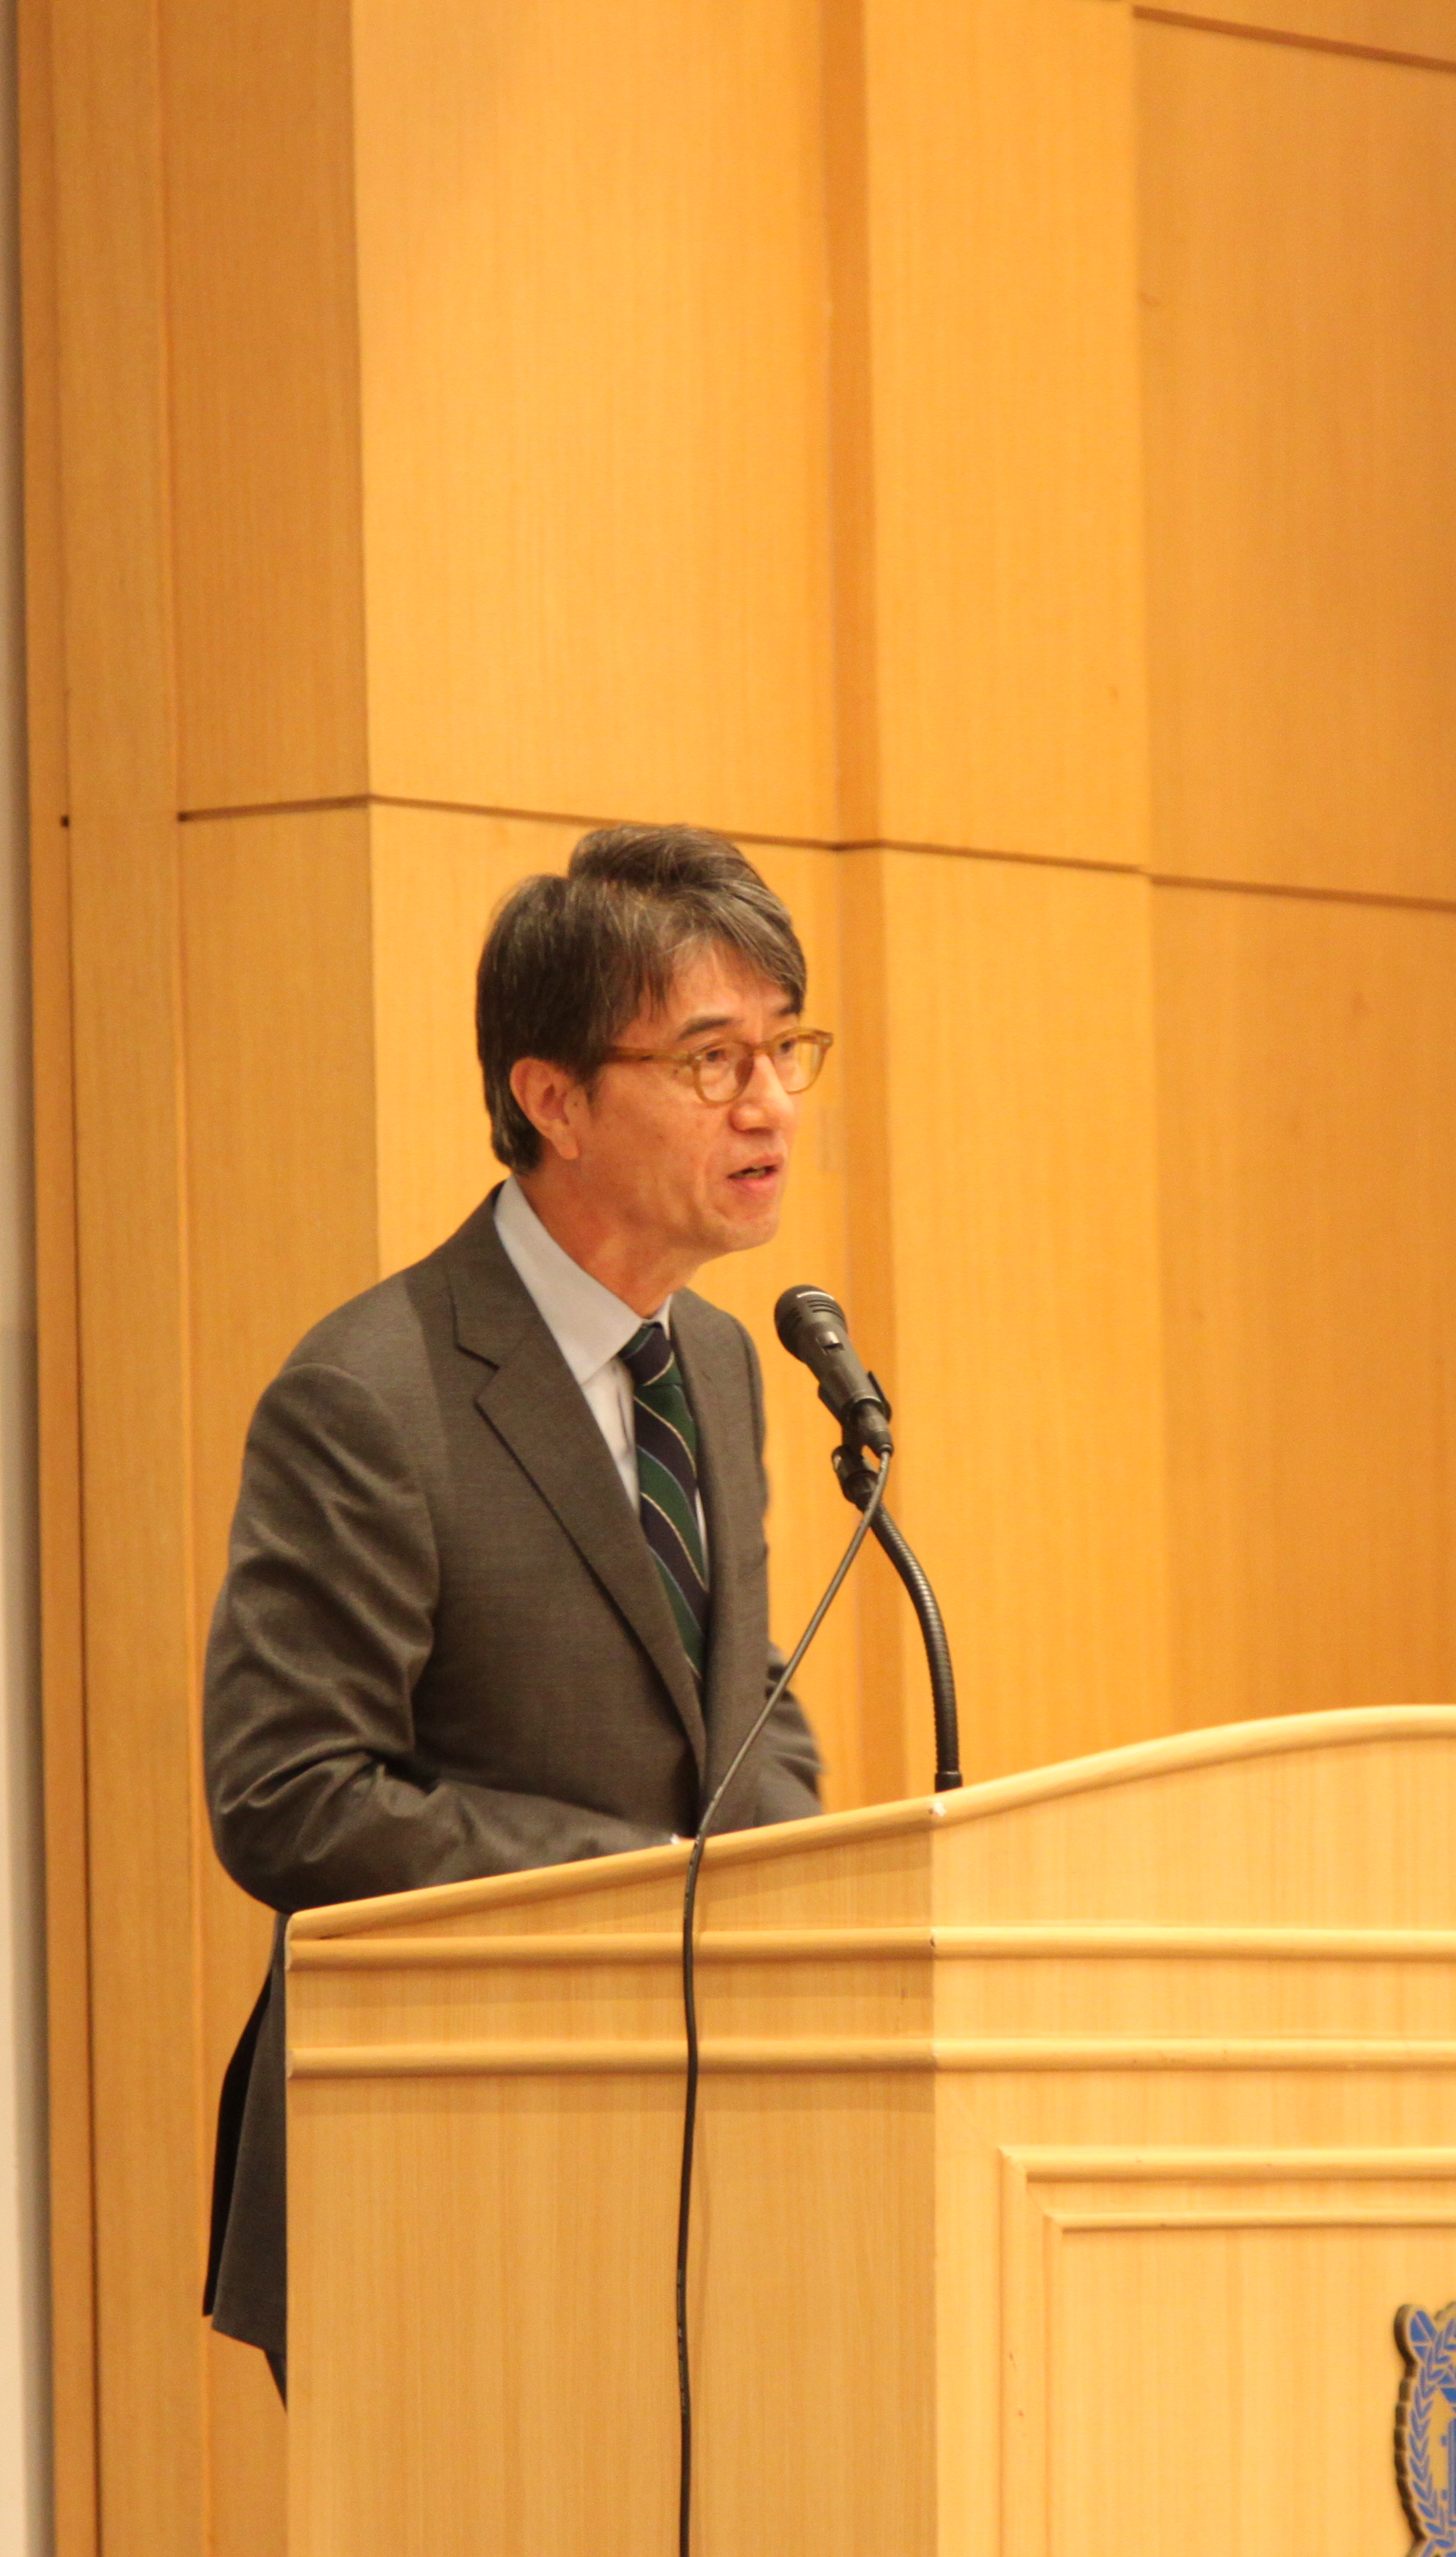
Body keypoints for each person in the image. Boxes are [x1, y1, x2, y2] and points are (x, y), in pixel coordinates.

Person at [199, 822, 836, 2392]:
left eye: (785, 1049)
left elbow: (735, 1693)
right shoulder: (373, 1392)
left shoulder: (719, 1361)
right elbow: (289, 1797)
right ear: (552, 1099)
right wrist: (646, 1888)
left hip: (685, 2148)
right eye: (711, 1061)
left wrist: (812, 1897)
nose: (768, 1103)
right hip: (437, 2156)